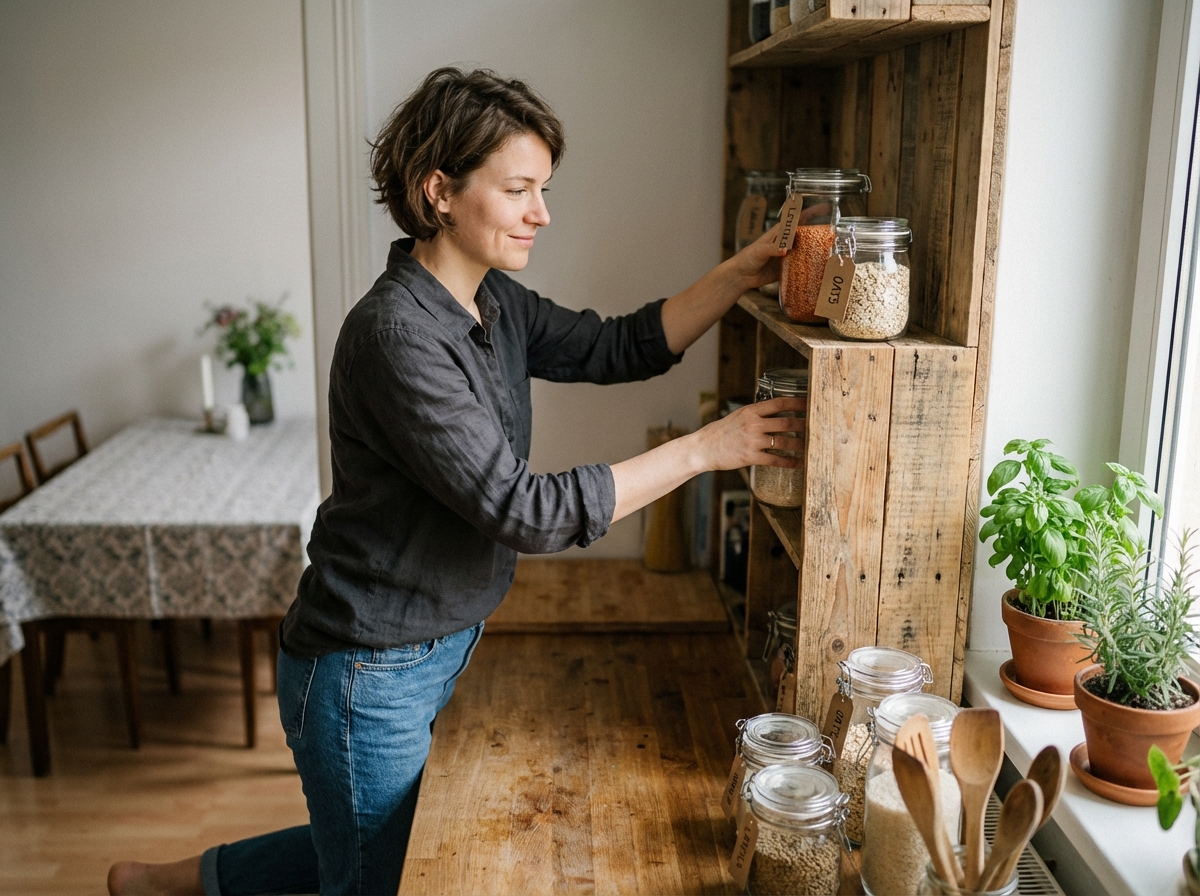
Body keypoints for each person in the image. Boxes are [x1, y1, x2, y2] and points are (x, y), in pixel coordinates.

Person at [108, 66, 803, 896]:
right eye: (518, 190)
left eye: (542, 189)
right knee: (377, 870)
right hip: (366, 670)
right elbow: (527, 511)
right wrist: (704, 450)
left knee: (375, 844)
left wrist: (739, 273)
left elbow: (619, 345)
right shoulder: (396, 337)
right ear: (439, 190)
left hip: (432, 647)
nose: (542, 212)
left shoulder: (493, 302)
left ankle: (171, 883)